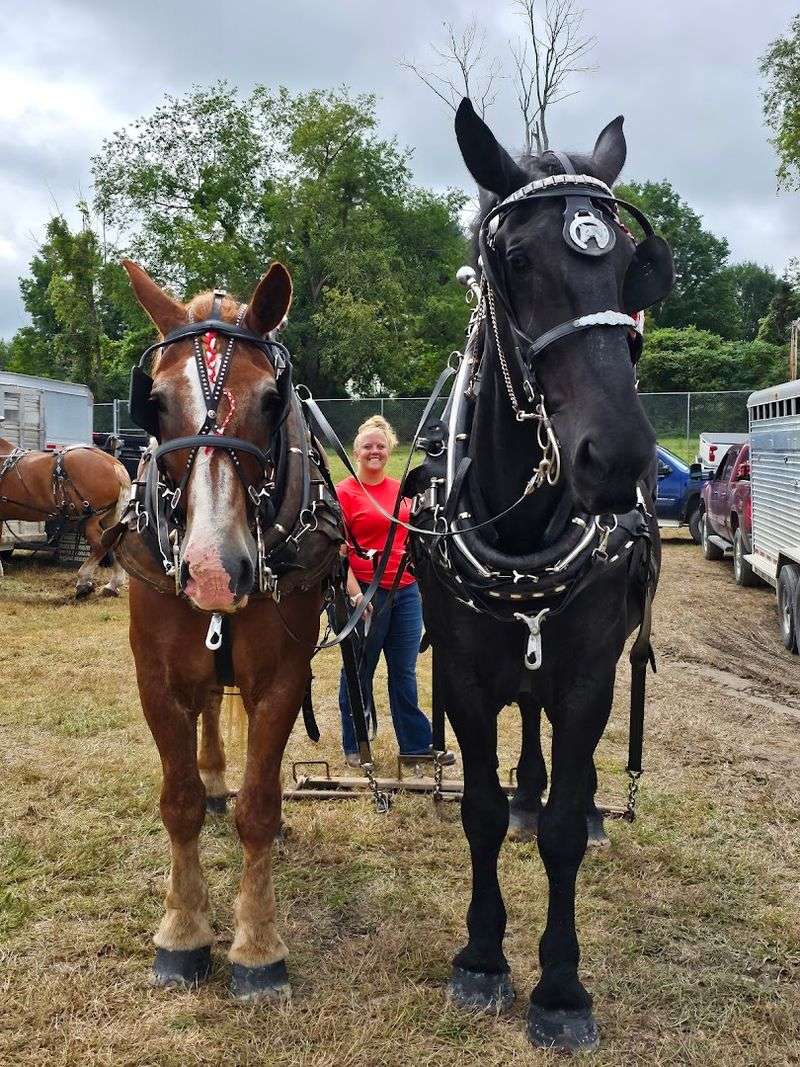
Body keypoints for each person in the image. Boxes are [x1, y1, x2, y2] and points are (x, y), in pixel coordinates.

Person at [335, 415, 455, 768]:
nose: (375, 451)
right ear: (356, 451)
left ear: (390, 451)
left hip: (406, 591)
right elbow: (338, 553)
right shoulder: (344, 493)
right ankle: (356, 744)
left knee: (404, 672)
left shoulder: (402, 490)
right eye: (368, 446)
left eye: (381, 446)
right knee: (360, 670)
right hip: (364, 594)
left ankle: (415, 747)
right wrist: (355, 595)